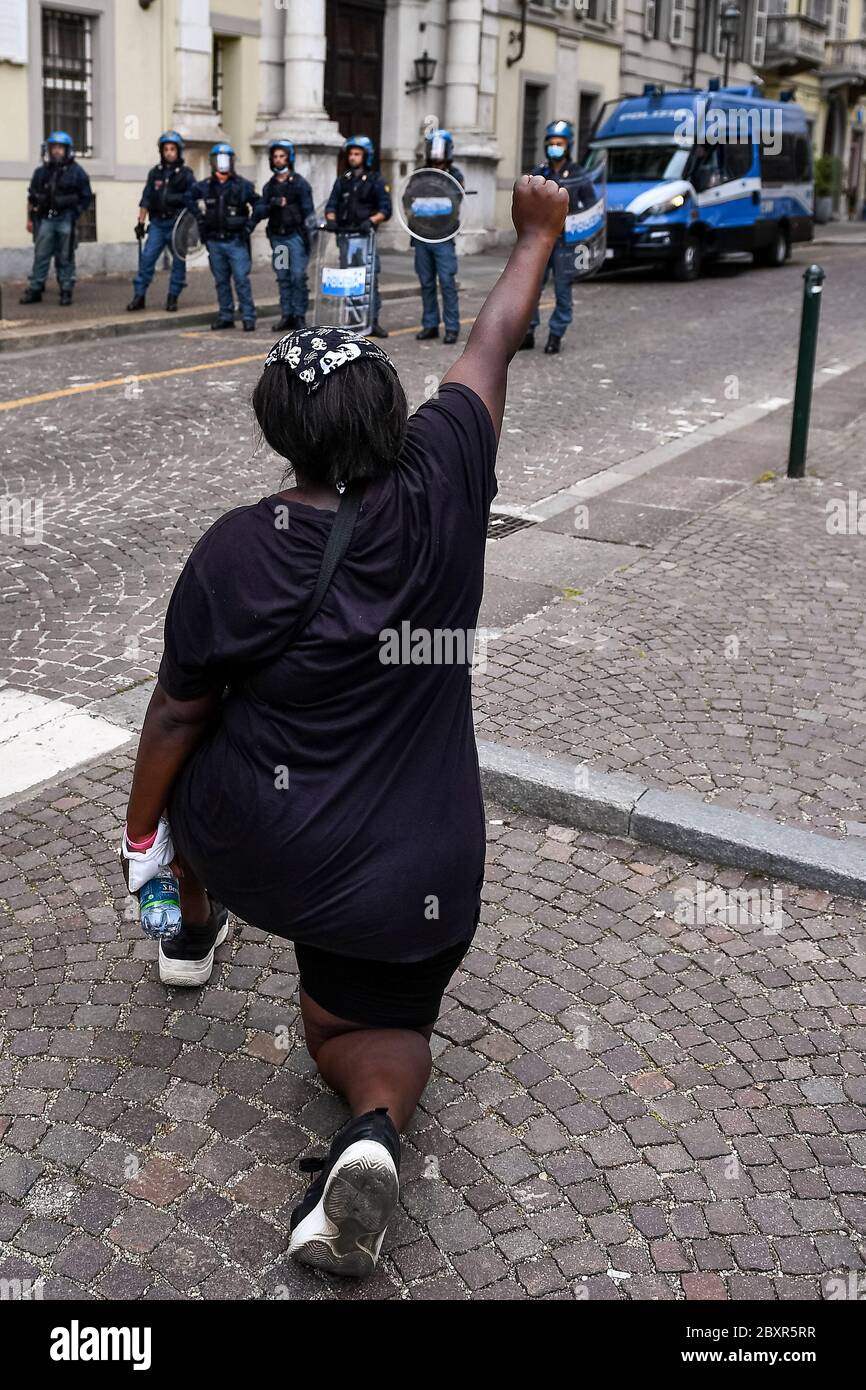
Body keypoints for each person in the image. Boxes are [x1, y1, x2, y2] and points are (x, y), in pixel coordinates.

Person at [119, 172, 568, 1278]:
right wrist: (534, 234)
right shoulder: (448, 473)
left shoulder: (239, 546)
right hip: (413, 871)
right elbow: (494, 335)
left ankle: (189, 928)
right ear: (390, 416)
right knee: (358, 1035)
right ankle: (369, 1128)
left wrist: (145, 845)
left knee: (199, 732)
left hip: (264, 845)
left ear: (281, 429)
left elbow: (176, 712)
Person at [522, 119, 596, 355]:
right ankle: (528, 332)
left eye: (560, 143)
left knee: (563, 291)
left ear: (568, 145)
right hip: (540, 243)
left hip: (565, 243)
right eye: (552, 143)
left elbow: (591, 206)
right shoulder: (539, 172)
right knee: (531, 289)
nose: (555, 146)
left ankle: (556, 334)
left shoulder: (578, 174)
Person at [325, 135, 391, 338]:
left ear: (366, 156)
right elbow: (331, 205)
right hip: (346, 237)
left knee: (369, 280)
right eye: (351, 154)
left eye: (357, 154)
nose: (353, 158)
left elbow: (385, 209)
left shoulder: (375, 180)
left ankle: (372, 321)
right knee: (349, 280)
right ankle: (352, 319)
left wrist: (371, 220)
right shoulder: (343, 180)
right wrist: (332, 220)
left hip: (365, 238)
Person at [191, 142, 258, 332]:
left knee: (241, 279)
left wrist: (249, 226)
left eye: (225, 159)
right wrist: (199, 217)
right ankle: (226, 315)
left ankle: (248, 316)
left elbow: (259, 205)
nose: (222, 164)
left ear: (231, 161)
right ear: (213, 163)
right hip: (214, 240)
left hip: (235, 240)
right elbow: (188, 198)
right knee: (221, 281)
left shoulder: (242, 185)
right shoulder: (205, 186)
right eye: (218, 159)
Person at [128, 131, 197, 313]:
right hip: (158, 224)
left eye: (172, 149)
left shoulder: (186, 174)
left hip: (177, 225)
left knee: (178, 263)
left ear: (178, 151)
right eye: (166, 149)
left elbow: (193, 200)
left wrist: (191, 226)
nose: (169, 153)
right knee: (147, 259)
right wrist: (140, 223)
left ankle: (173, 297)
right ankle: (139, 296)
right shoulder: (155, 173)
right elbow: (146, 198)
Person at [20, 132, 92, 307]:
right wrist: (30, 219)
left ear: (67, 150)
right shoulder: (41, 172)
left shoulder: (77, 172)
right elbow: (32, 197)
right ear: (49, 149)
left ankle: (66, 290)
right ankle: (36, 289)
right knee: (41, 255)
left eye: (60, 147)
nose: (57, 151)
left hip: (66, 219)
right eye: (54, 147)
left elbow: (86, 196)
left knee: (65, 256)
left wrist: (75, 213)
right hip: (46, 219)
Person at [252, 138, 315, 333]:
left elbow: (308, 211)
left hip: (295, 237)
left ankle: (299, 315)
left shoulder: (299, 184)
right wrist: (272, 203)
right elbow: (260, 211)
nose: (278, 160)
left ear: (289, 158)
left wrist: (310, 236)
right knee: (283, 276)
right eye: (275, 157)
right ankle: (286, 314)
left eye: (282, 156)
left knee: (297, 276)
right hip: (278, 239)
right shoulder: (269, 186)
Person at [413, 128, 464, 346]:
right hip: (422, 234)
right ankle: (430, 325)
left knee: (446, 282)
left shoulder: (455, 175)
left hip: (443, 236)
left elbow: (453, 203)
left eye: (440, 148)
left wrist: (430, 204)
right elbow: (410, 200)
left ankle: (451, 327)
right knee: (426, 282)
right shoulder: (420, 173)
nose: (436, 153)